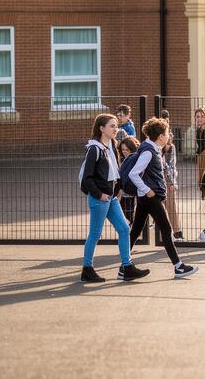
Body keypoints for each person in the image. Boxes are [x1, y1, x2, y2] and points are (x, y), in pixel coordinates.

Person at [126, 117, 197, 278]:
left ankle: (125, 264)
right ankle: (178, 266)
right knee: (166, 229)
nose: (169, 135)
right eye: (167, 133)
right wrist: (147, 190)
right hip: (150, 197)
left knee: (136, 229)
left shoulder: (151, 148)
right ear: (160, 137)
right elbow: (133, 173)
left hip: (145, 198)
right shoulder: (149, 152)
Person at [79, 114, 147, 283]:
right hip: (99, 199)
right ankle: (87, 269)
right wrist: (99, 194)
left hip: (111, 198)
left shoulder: (111, 146)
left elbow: (114, 173)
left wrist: (118, 189)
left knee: (124, 229)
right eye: (112, 126)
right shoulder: (94, 148)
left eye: (116, 126)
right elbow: (87, 178)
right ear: (101, 128)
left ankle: (127, 267)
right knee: (95, 234)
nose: (115, 129)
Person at [157, 109, 182, 241]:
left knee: (171, 207)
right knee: (158, 210)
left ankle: (177, 232)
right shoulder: (156, 147)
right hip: (157, 181)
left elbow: (171, 167)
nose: (169, 136)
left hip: (167, 181)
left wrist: (172, 182)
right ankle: (162, 235)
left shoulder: (170, 148)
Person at [115, 136, 140, 227]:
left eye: (127, 150)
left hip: (133, 191)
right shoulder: (120, 160)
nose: (124, 152)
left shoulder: (136, 159)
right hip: (123, 192)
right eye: (123, 149)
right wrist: (120, 189)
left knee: (130, 214)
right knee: (123, 215)